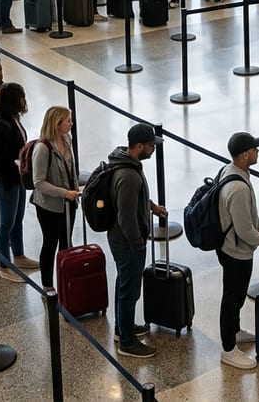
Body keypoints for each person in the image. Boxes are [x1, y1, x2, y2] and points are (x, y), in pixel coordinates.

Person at [106, 123, 167, 359]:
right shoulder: (129, 175)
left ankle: (123, 329)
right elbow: (126, 216)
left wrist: (151, 206)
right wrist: (137, 243)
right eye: (151, 146)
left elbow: (132, 201)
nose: (153, 150)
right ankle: (127, 343)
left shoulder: (126, 163)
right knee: (129, 291)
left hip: (122, 239)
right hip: (127, 241)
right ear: (139, 146)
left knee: (124, 283)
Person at [216, 132, 259, 370]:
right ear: (245, 154)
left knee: (237, 295)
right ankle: (228, 349)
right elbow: (242, 230)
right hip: (236, 251)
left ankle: (235, 330)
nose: (258, 151)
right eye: (255, 149)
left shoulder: (234, 172)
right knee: (232, 298)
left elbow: (248, 214)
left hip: (231, 246)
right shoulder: (238, 188)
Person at [0, 82, 40, 281]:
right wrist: (12, 175)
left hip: (17, 179)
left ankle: (19, 255)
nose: (25, 101)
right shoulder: (2, 124)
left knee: (17, 219)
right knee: (6, 222)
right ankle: (4, 266)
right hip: (6, 181)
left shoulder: (12, 118)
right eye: (21, 97)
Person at [29, 106, 80, 293]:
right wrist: (63, 193)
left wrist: (74, 192)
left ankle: (66, 280)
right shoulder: (42, 148)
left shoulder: (67, 139)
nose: (71, 124)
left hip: (69, 202)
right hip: (49, 206)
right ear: (57, 124)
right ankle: (47, 284)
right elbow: (39, 182)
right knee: (50, 242)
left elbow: (71, 168)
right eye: (68, 121)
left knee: (66, 242)